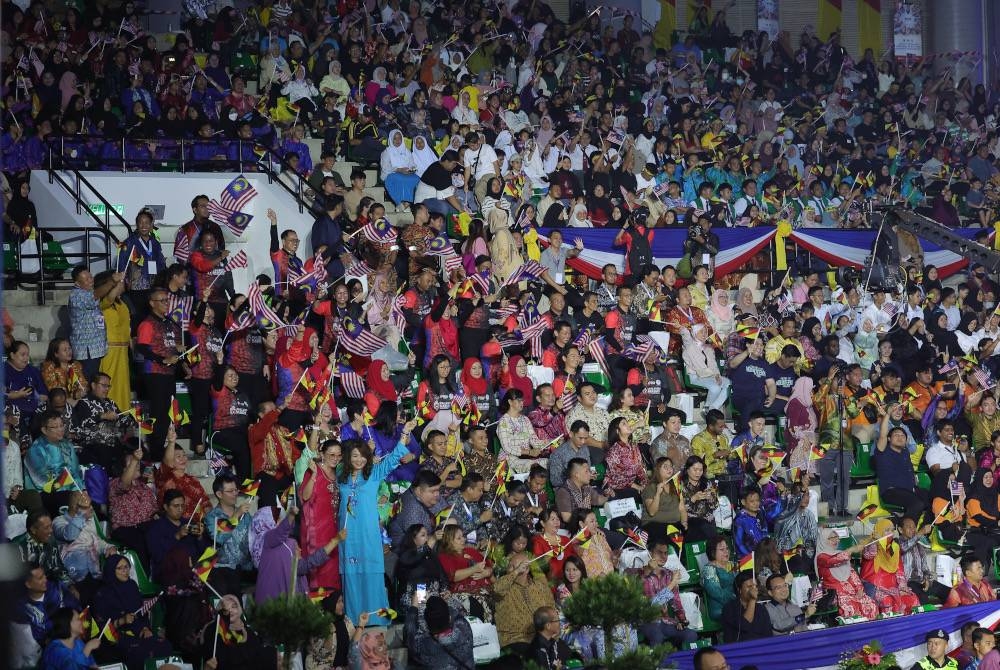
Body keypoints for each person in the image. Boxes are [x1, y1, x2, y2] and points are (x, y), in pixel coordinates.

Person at [339, 422, 419, 626]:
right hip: (348, 538)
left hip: (368, 536)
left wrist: (405, 432)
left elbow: (393, 459)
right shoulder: (341, 478)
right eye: (354, 455)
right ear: (348, 458)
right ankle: (353, 621)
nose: (359, 459)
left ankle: (379, 620)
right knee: (352, 577)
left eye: (362, 455)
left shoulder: (373, 475)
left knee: (373, 577)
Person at [254, 503, 345, 604]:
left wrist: (335, 541)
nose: (300, 550)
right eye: (278, 518)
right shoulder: (267, 540)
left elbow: (307, 564)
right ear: (266, 522)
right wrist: (291, 515)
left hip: (289, 606)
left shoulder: (290, 542)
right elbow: (280, 532)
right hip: (271, 606)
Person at [93, 554, 173, 667]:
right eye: (120, 568)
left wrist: (144, 628)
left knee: (164, 645)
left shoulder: (132, 586)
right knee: (139, 652)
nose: (125, 571)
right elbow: (101, 627)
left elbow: (141, 612)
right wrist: (122, 620)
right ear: (111, 570)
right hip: (116, 637)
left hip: (137, 631)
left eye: (126, 567)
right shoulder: (102, 594)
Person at [494, 551, 557, 652]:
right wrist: (516, 572)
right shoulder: (504, 587)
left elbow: (552, 612)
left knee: (564, 651)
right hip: (515, 640)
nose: (510, 569)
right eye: (509, 566)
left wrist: (552, 634)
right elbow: (497, 589)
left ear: (526, 569)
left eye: (514, 566)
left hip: (541, 638)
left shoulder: (540, 587)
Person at [641, 539, 699, 647]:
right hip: (646, 621)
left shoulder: (668, 574)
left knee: (691, 635)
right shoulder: (642, 574)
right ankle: (658, 663)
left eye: (666, 553)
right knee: (657, 636)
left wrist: (682, 621)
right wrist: (672, 583)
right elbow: (653, 605)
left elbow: (676, 602)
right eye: (659, 552)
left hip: (665, 621)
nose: (663, 556)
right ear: (650, 553)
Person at [815, 525, 879, 620]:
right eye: (832, 538)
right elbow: (832, 560)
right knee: (852, 608)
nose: (836, 540)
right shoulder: (821, 557)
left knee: (871, 604)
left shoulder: (841, 553)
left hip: (852, 592)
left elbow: (852, 574)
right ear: (823, 540)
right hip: (836, 594)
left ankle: (869, 632)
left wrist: (859, 589)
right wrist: (851, 550)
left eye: (837, 538)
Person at [860, 518, 921, 615]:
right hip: (875, 585)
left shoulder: (894, 547)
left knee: (911, 598)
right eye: (887, 530)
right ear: (879, 531)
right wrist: (875, 542)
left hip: (892, 585)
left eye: (892, 530)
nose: (890, 533)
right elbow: (869, 555)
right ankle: (888, 628)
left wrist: (902, 587)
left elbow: (899, 570)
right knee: (887, 601)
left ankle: (908, 626)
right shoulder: (871, 544)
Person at [405, 595, 475, 670]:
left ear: (427, 624)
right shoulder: (464, 628)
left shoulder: (423, 645)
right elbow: (457, 614)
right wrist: (440, 605)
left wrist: (413, 607)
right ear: (449, 618)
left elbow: (409, 632)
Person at [721, 570, 773, 643]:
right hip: (739, 650)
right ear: (739, 590)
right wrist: (752, 600)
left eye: (755, 586)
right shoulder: (729, 608)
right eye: (749, 586)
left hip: (761, 648)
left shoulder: (761, 608)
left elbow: (768, 634)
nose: (753, 589)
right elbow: (745, 625)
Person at [528, 606, 578, 670]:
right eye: (557, 620)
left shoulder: (551, 641)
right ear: (548, 626)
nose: (559, 623)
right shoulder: (538, 649)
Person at [701, 536, 736, 621]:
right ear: (713, 552)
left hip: (737, 604)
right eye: (721, 549)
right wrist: (739, 599)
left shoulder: (732, 565)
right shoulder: (708, 569)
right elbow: (718, 594)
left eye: (727, 548)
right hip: (720, 609)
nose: (726, 551)